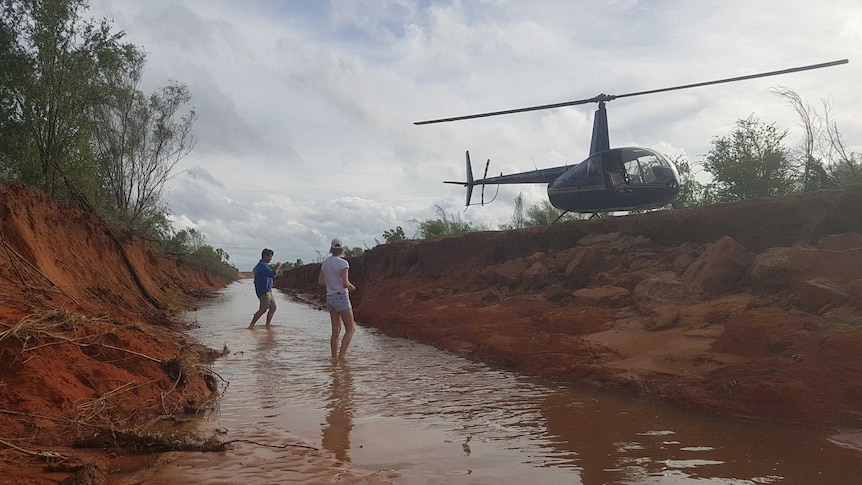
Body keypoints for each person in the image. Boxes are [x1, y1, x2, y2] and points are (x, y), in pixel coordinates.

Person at [317, 238, 356, 362]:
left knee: (336, 330)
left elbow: (321, 281)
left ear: (331, 249)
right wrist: (351, 287)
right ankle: (342, 358)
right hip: (341, 297)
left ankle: (334, 358)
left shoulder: (325, 263)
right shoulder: (343, 263)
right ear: (343, 249)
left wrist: (332, 283)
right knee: (350, 329)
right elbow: (345, 283)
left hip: (330, 298)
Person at [248, 248, 281, 328]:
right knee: (263, 309)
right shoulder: (262, 266)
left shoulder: (264, 265)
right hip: (264, 291)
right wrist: (278, 267)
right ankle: (251, 325)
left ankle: (267, 325)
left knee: (273, 308)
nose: (271, 259)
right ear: (265, 256)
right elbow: (273, 274)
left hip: (268, 291)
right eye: (270, 256)